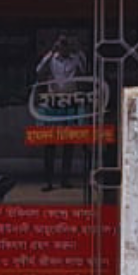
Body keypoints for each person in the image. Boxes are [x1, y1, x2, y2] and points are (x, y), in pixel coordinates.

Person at [36, 35, 87, 193]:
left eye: (66, 45)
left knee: (68, 142)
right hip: (54, 101)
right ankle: (49, 180)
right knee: (50, 142)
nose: (64, 48)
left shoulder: (75, 58)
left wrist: (77, 50)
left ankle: (65, 178)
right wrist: (51, 52)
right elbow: (39, 71)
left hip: (70, 100)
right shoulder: (51, 58)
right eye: (62, 45)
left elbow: (85, 69)